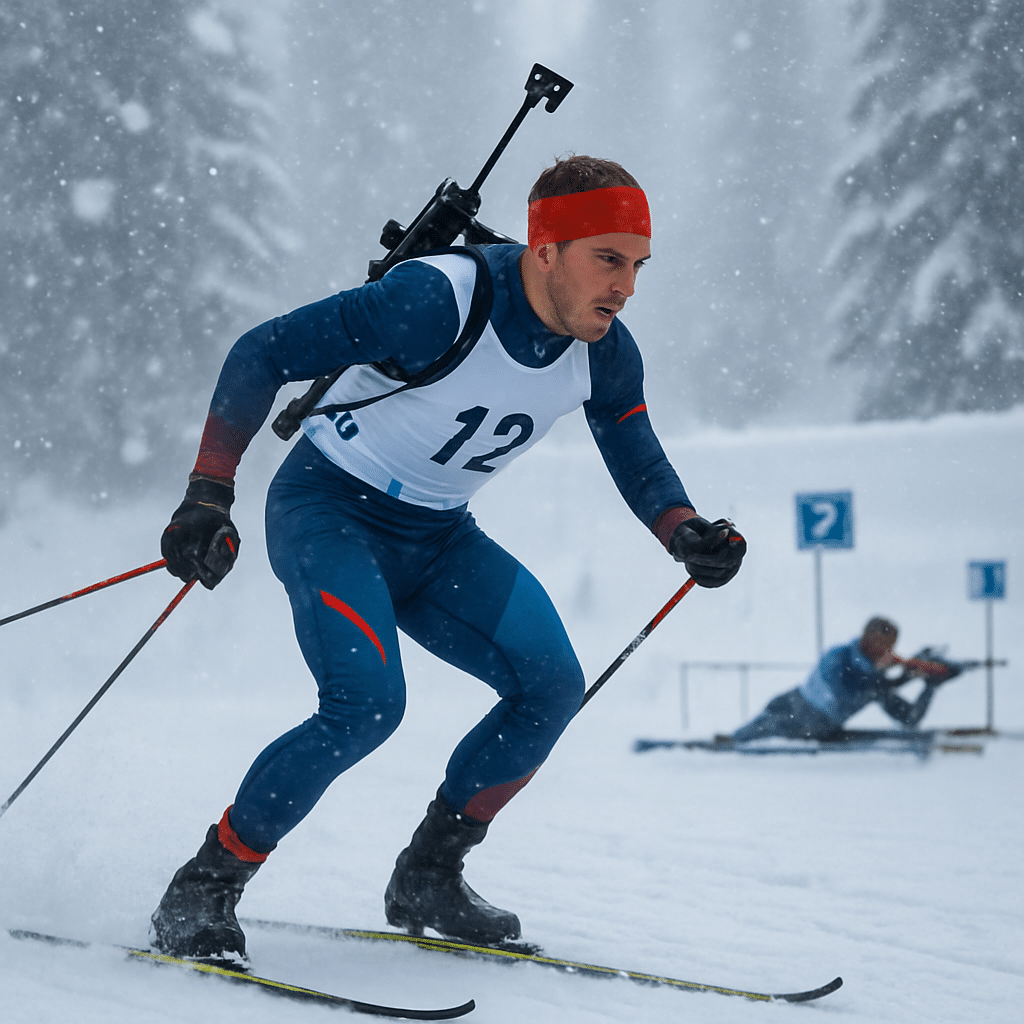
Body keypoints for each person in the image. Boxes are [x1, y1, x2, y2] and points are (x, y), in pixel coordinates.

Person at [150, 155, 746, 965]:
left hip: (437, 536)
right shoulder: (435, 300)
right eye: (608, 259)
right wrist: (208, 492)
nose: (626, 287)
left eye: (638, 265)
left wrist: (685, 531)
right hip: (329, 512)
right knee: (364, 707)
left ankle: (430, 875)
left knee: (550, 688)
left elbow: (636, 456)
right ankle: (206, 885)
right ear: (545, 251)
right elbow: (262, 353)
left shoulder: (604, 351)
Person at [731, 617, 957, 743]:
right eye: (885, 646)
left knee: (758, 731)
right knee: (755, 729)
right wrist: (901, 675)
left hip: (814, 722)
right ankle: (730, 743)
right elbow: (850, 689)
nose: (890, 652)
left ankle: (733, 742)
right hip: (799, 708)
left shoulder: (871, 679)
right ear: (869, 641)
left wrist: (927, 685)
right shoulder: (840, 657)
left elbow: (909, 717)